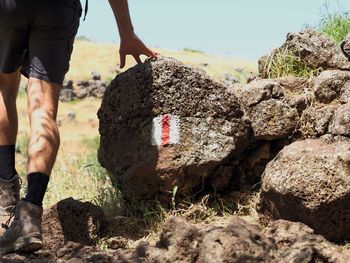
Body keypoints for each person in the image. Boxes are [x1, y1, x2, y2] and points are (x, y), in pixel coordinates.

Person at [0, 0, 157, 254]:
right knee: (43, 109)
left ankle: (5, 196)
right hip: (57, 9)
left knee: (5, 87)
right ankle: (29, 214)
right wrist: (126, 33)